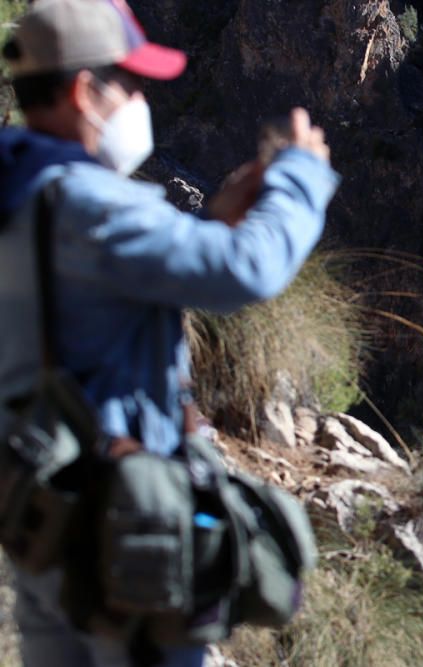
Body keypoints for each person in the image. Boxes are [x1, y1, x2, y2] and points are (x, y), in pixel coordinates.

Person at [0, 1, 338, 665]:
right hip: (126, 523)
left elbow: (95, 297)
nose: (139, 100)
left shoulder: (22, 193)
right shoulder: (88, 204)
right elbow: (245, 271)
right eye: (129, 84)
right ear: (80, 91)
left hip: (42, 511)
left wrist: (212, 221)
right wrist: (299, 178)